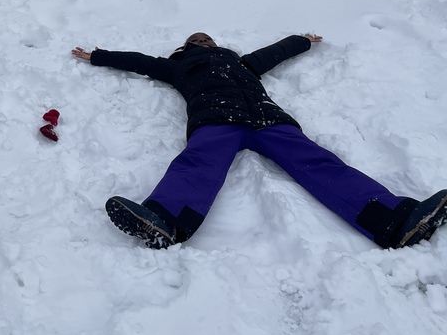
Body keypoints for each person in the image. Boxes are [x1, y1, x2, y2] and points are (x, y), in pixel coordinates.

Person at [72, 33, 447, 249]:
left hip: (270, 120)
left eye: (207, 37)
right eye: (196, 39)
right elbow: (140, 61)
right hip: (216, 120)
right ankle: (164, 221)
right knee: (197, 164)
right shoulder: (178, 67)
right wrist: (98, 56)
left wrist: (301, 40)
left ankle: (397, 221)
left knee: (321, 164)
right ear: (186, 49)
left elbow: (273, 53)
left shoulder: (241, 62)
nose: (203, 40)